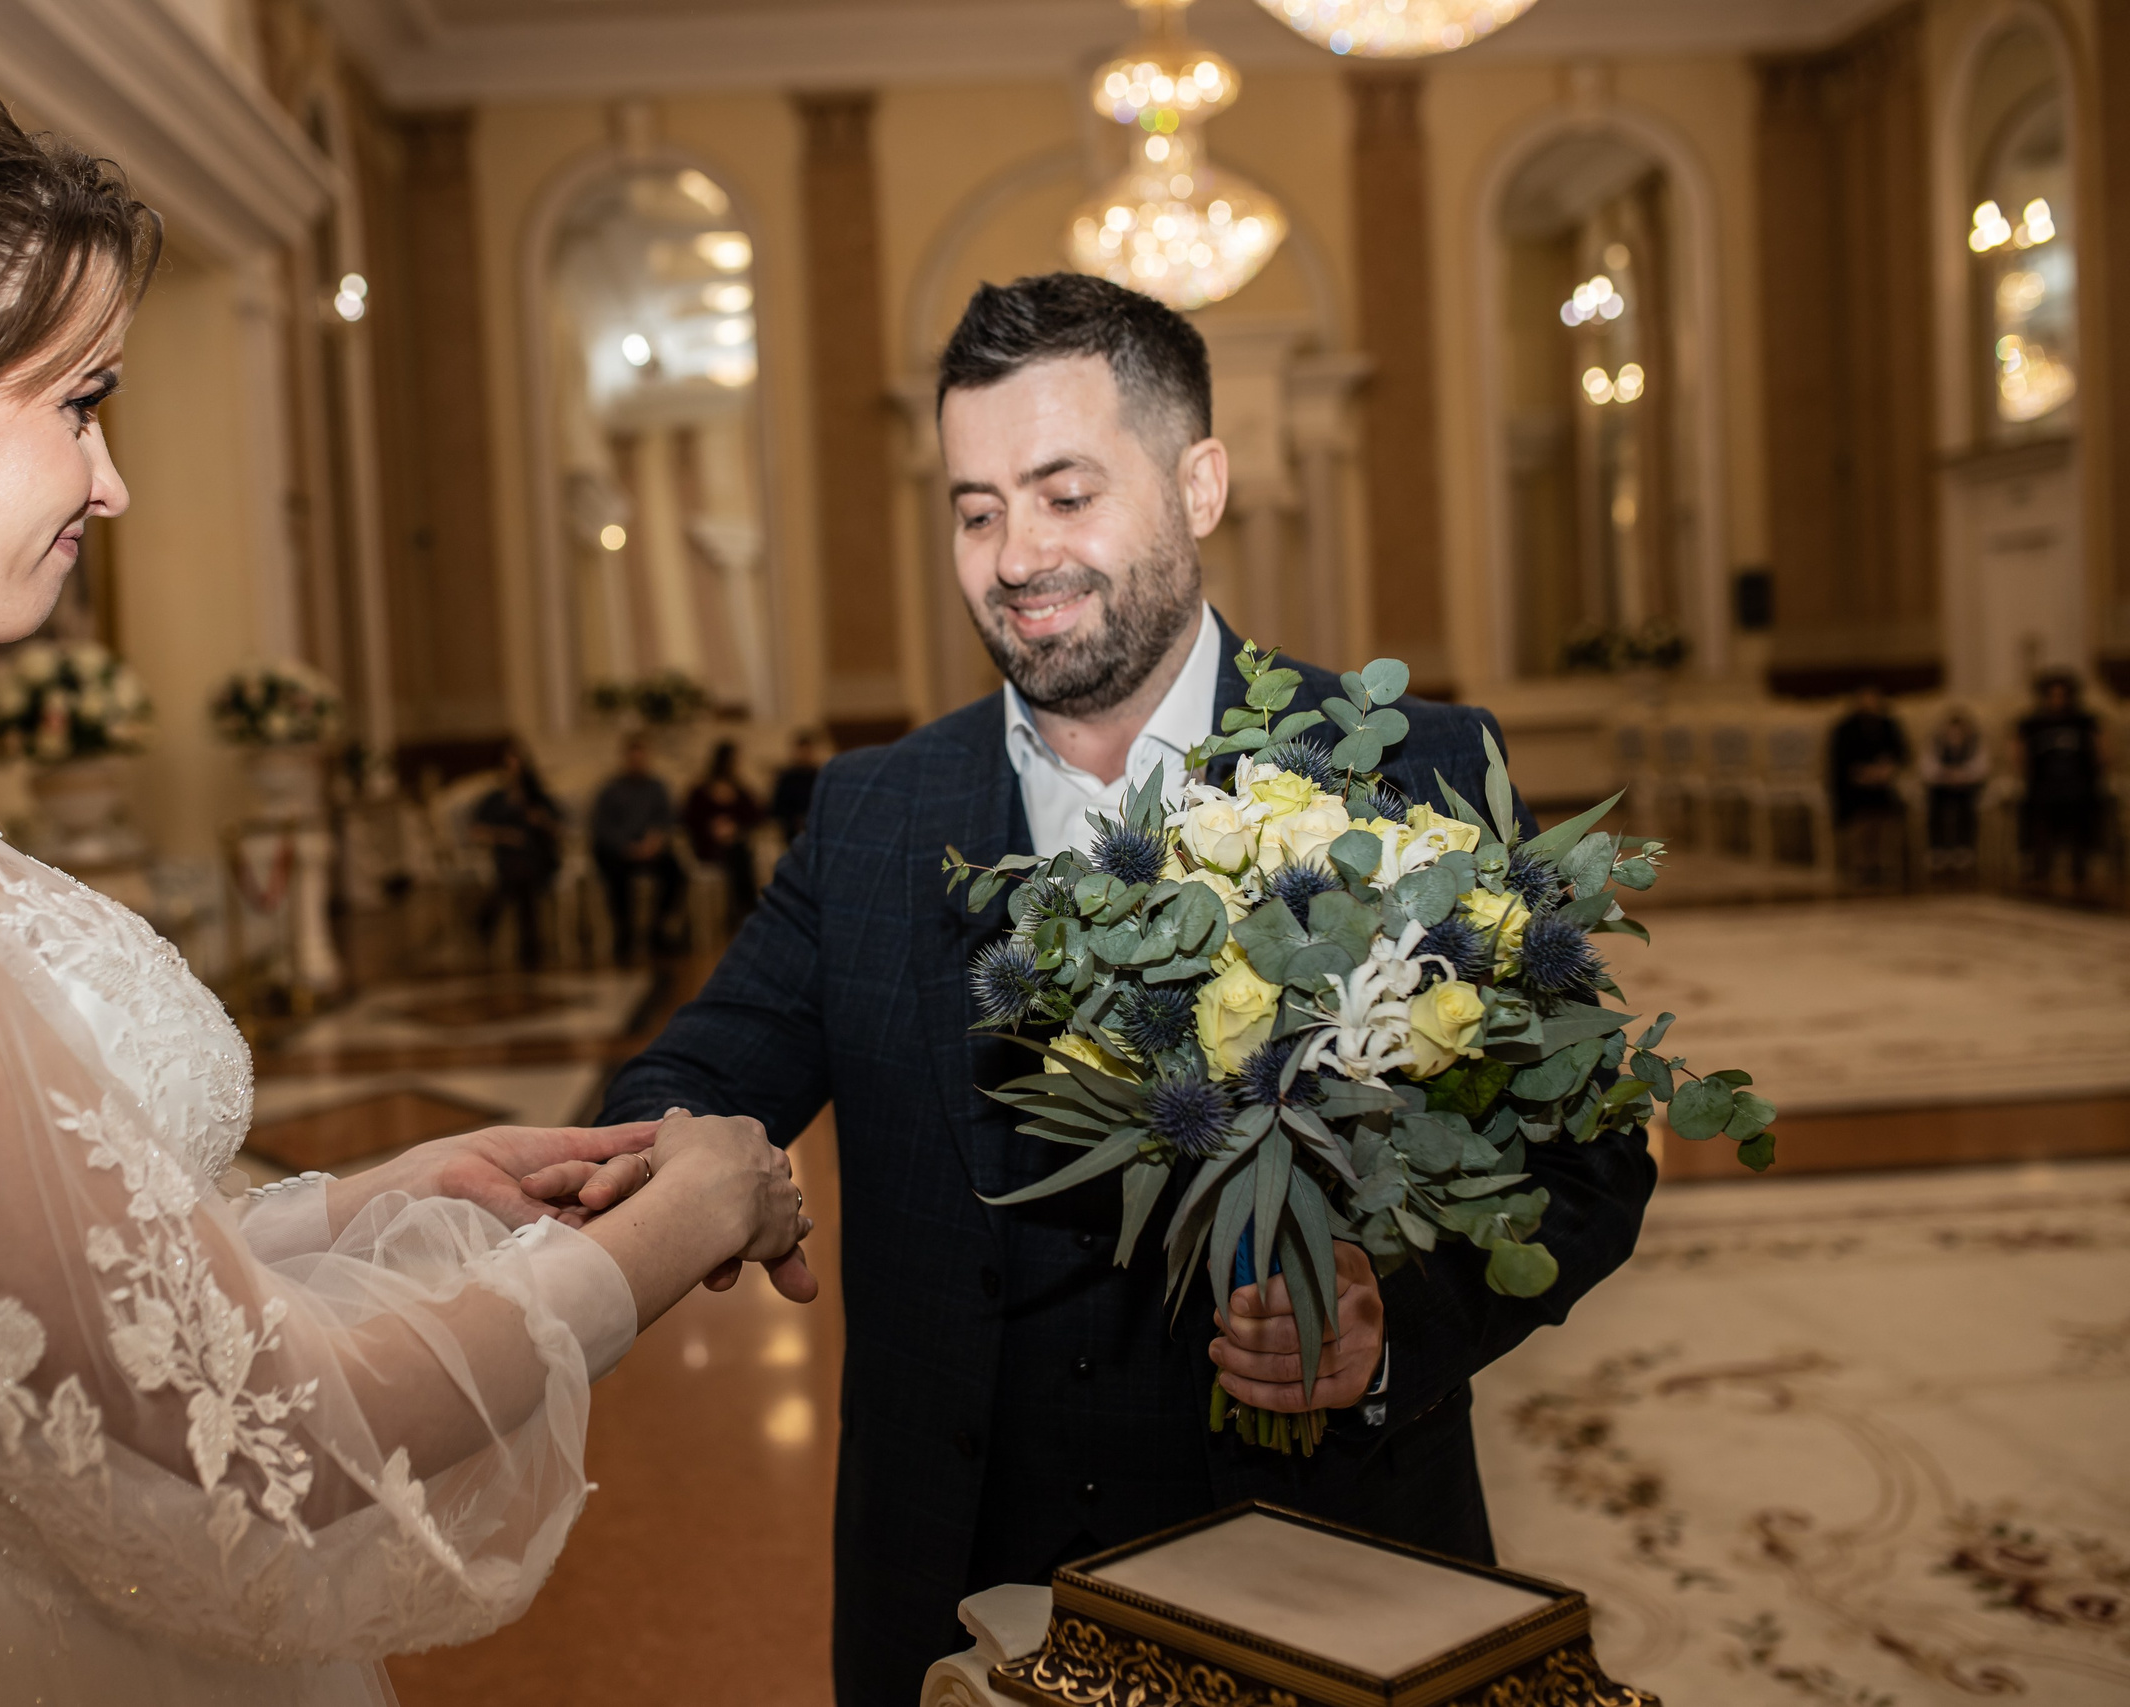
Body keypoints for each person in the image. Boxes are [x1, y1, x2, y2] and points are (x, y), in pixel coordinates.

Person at [0, 51, 814, 1707]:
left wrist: (380, 1196)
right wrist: (683, 1223)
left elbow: (5, 1275)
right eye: (80, 403)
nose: (112, 482)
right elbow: (261, 1426)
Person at [599, 273, 1657, 1705]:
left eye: (1064, 493)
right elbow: (692, 1076)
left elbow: (1591, 1155)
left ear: (1198, 485)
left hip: (1328, 1568)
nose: (1015, 556)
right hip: (956, 1593)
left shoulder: (1407, 771)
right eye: (977, 511)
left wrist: (1392, 1326)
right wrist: (691, 1163)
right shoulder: (873, 815)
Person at [589, 734, 688, 963]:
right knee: (615, 875)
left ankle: (657, 929)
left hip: (650, 848)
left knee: (675, 872)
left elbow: (666, 819)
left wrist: (654, 841)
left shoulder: (657, 787)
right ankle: (625, 932)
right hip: (620, 851)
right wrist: (626, 846)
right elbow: (601, 827)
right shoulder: (610, 790)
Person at [2014, 670, 2110, 900]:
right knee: (2039, 806)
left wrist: (2099, 768)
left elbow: (2103, 752)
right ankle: (2040, 866)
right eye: (2053, 695)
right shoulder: (2031, 723)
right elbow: (2018, 753)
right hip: (2044, 783)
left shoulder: (2085, 721)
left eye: (2062, 695)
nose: (2057, 700)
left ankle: (2080, 867)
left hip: (2079, 782)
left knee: (2082, 803)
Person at [470, 738, 562, 968]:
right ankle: (530, 943)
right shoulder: (494, 799)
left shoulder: (537, 796)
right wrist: (505, 836)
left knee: (520, 873)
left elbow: (558, 828)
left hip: (539, 857)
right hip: (508, 860)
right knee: (519, 874)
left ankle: (488, 917)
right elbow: (477, 831)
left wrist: (541, 820)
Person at [1828, 684, 1910, 890]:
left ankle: (1884, 861)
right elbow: (1841, 762)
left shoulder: (1888, 725)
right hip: (1853, 785)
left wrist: (1885, 770)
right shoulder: (1845, 728)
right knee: (1862, 811)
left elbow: (1900, 753)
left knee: (1886, 806)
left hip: (1882, 784)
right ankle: (1862, 863)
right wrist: (1862, 773)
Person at [684, 738, 765, 932]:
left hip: (734, 844)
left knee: (739, 853)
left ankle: (742, 911)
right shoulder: (701, 791)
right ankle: (744, 911)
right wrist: (713, 828)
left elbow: (756, 815)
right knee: (738, 855)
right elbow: (689, 819)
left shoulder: (739, 790)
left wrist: (734, 828)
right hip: (707, 845)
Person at [1918, 707, 1991, 882]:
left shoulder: (1975, 745)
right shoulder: (1935, 745)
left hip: (1966, 787)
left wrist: (1962, 775)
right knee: (1935, 803)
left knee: (1967, 805)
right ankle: (1938, 849)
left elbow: (1982, 767)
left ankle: (1964, 848)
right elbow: (1926, 768)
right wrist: (1946, 775)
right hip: (1941, 787)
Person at [769, 729, 825, 844]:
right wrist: (794, 820)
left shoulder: (819, 775)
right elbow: (778, 806)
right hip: (792, 831)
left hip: (816, 830)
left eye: (808, 751)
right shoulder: (787, 778)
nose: (805, 755)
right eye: (802, 751)